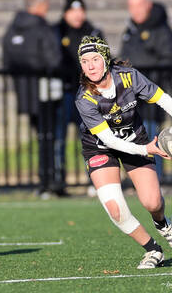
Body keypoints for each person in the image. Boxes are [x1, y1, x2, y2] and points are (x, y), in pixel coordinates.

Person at [75, 35, 172, 269]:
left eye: (95, 59)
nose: (90, 66)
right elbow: (109, 140)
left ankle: (164, 226)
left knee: (152, 203)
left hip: (134, 138)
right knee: (115, 207)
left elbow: (164, 100)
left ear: (106, 59)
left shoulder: (129, 77)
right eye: (85, 61)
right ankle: (152, 250)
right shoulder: (84, 99)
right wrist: (147, 149)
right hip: (100, 148)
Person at [2, 0, 61, 195]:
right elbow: (53, 58)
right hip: (45, 91)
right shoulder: (41, 27)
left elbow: (7, 60)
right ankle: (50, 181)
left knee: (41, 136)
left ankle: (44, 181)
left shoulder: (12, 27)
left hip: (25, 92)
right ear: (40, 5)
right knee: (50, 136)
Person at [52, 0, 104, 195]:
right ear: (66, 13)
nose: (77, 15)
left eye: (80, 10)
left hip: (87, 93)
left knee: (91, 137)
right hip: (65, 92)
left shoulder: (93, 31)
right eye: (73, 11)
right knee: (60, 137)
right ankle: (59, 182)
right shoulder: (57, 31)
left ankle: (95, 180)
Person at [120, 0, 172, 181]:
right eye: (131, 7)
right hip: (131, 96)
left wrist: (145, 74)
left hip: (152, 93)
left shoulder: (160, 29)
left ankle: (155, 179)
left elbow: (167, 58)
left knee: (153, 137)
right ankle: (139, 179)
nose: (135, 11)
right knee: (134, 136)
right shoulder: (130, 29)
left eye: (139, 5)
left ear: (148, 5)